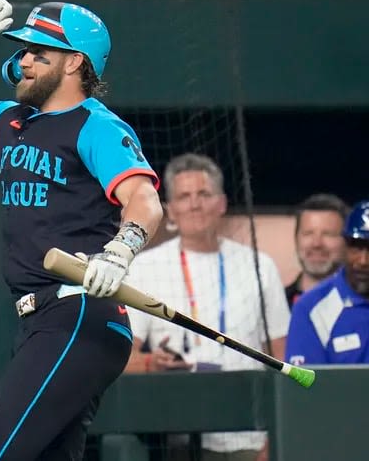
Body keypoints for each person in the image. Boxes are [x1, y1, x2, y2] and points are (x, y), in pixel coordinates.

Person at [0, 0, 164, 460]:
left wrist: (120, 251)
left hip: (79, 316)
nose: (24, 60)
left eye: (38, 53)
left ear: (74, 63)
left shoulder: (97, 125)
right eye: (24, 51)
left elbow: (145, 200)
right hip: (37, 322)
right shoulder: (9, 120)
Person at [123, 153, 291, 461]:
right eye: (184, 197)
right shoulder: (146, 267)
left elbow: (283, 356)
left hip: (252, 436)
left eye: (204, 194)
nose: (195, 204)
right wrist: (151, 364)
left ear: (222, 203)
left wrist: (277, 436)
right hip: (180, 435)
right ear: (169, 210)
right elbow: (122, 356)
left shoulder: (258, 265)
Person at [286, 200, 369, 365]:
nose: (363, 260)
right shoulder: (310, 308)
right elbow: (305, 385)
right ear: (345, 245)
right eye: (356, 247)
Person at [285, 194, 348, 308]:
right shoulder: (277, 302)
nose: (316, 244)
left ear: (347, 242)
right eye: (308, 233)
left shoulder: (363, 304)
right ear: (296, 238)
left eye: (328, 234)